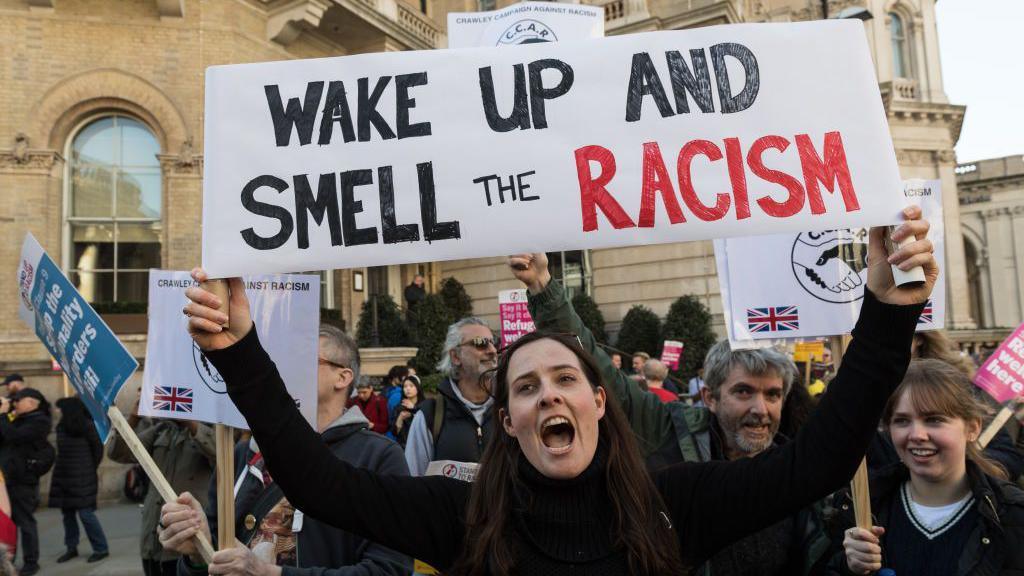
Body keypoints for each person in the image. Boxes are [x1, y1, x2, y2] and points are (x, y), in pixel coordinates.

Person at [177, 207, 938, 574]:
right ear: (506, 420)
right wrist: (241, 351)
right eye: (527, 386)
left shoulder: (679, 505)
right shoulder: (462, 519)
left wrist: (888, 310)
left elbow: (823, 459)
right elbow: (316, 479)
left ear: (598, 402)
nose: (549, 397)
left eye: (566, 380)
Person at [159, 324, 412, 576]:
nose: (285, 367)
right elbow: (215, 562)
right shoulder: (244, 453)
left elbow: (389, 569)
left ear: (342, 377)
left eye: (304, 358)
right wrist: (197, 551)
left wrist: (269, 573)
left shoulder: (379, 457)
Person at [828, 359, 1024, 575]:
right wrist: (847, 567)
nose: (917, 435)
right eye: (902, 421)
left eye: (934, 420)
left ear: (973, 428)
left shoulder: (1012, 515)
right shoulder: (859, 508)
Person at [109, 403, 215, 576]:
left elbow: (221, 455)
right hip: (153, 534)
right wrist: (133, 418)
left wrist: (190, 422)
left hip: (186, 537)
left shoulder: (211, 429)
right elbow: (119, 453)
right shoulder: (161, 430)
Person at [403, 317, 497, 476]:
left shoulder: (511, 408)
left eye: (495, 342)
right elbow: (413, 485)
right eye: (480, 343)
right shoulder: (429, 416)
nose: (492, 350)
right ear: (455, 356)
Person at [0, 388, 52, 576]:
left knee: (25, 521)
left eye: (18, 400)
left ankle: (31, 562)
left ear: (32, 402)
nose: (15, 403)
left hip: (22, 481)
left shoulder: (39, 421)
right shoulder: (17, 419)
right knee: (8, 523)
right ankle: (7, 560)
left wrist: (4, 415)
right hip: (7, 480)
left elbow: (15, 436)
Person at [50, 396, 109, 564]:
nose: (58, 412)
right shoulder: (62, 427)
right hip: (64, 476)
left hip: (83, 476)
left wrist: (89, 467)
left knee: (86, 514)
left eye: (60, 409)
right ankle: (71, 547)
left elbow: (98, 450)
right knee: (67, 514)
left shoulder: (88, 426)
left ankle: (101, 548)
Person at [390, 375, 424, 447]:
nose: (408, 389)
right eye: (405, 386)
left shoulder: (424, 405)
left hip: (420, 445)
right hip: (404, 447)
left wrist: (414, 408)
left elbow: (427, 424)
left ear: (418, 388)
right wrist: (400, 418)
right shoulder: (398, 407)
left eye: (411, 386)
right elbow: (394, 432)